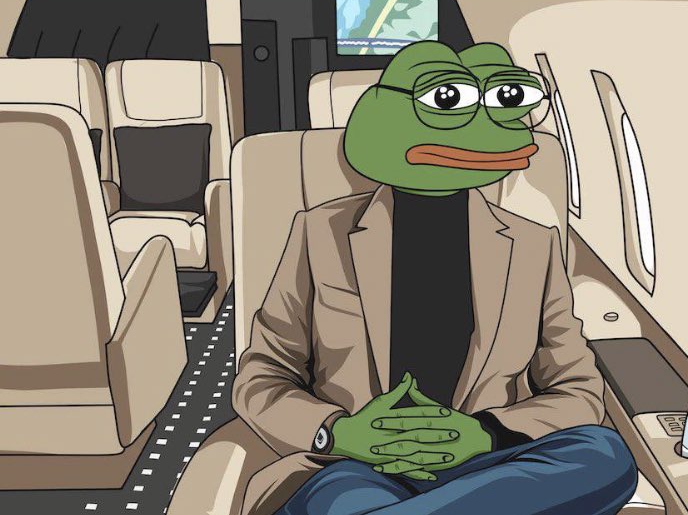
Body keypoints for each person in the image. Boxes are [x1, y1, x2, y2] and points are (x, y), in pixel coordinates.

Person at [233, 41, 638, 515]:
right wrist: (339, 432)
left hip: (485, 460)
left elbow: (578, 388)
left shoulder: (535, 246)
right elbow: (261, 375)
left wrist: (485, 433)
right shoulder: (320, 233)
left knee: (606, 454)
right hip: (355, 465)